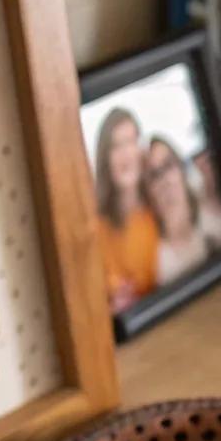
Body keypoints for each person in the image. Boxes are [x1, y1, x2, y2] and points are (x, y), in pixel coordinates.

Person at [93, 107, 158, 314]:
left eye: (131, 142)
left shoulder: (159, 210)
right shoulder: (95, 227)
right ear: (105, 157)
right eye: (116, 146)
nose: (126, 154)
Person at [145, 137, 221, 287]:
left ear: (181, 169)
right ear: (147, 193)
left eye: (168, 165)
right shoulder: (155, 264)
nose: (165, 181)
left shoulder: (216, 226)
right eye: (154, 175)